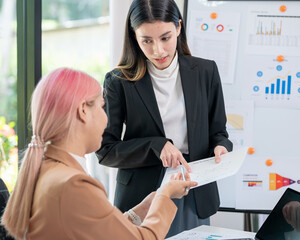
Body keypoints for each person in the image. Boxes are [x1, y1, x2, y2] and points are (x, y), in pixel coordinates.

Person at [1, 68, 197, 240]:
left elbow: (95, 229)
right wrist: (165, 194)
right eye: (103, 107)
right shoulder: (74, 184)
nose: (106, 119)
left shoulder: (46, 169)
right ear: (83, 111)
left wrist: (142, 209)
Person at [96, 0, 232, 236]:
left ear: (178, 28)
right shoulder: (118, 81)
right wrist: (156, 146)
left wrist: (221, 146)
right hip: (142, 196)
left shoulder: (206, 72)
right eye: (146, 41)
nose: (158, 50)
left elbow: (218, 131)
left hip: (193, 190)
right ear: (134, 36)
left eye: (165, 38)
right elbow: (105, 150)